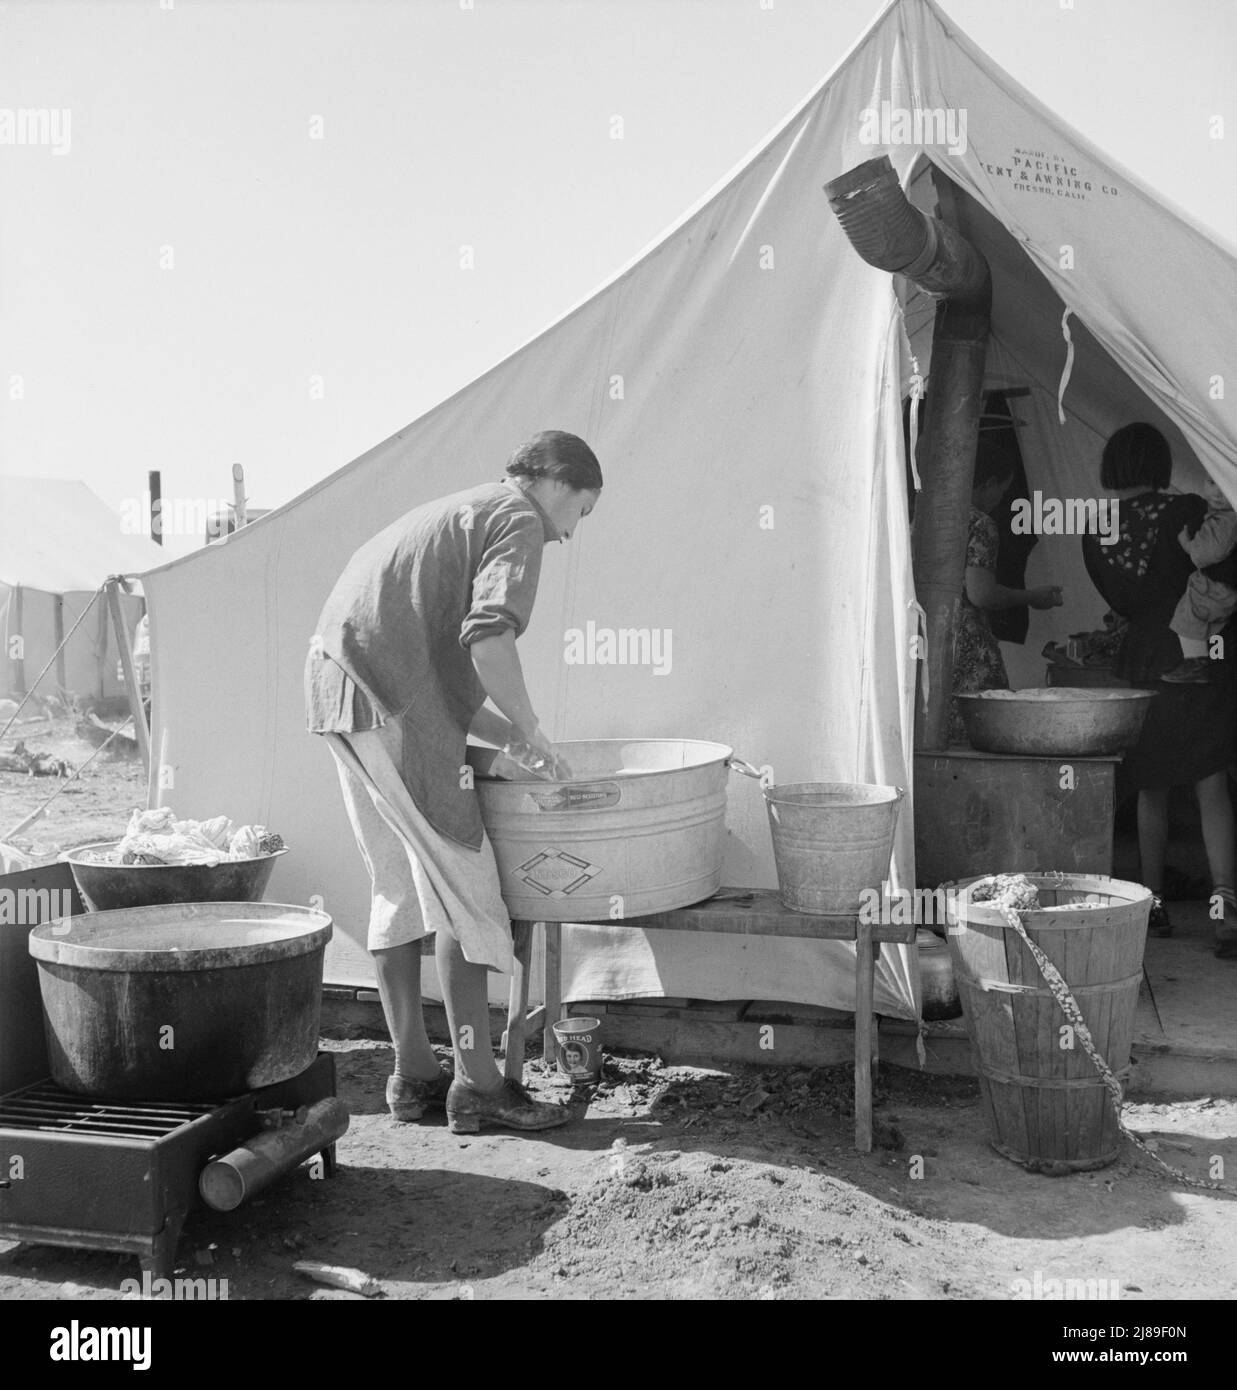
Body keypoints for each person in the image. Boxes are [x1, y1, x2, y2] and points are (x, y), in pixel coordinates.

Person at [306, 430, 603, 1129]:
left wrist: (513, 740)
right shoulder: (519, 518)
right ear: (557, 482)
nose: (570, 534)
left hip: (340, 688)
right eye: (582, 512)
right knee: (466, 894)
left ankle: (412, 1078)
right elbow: (489, 635)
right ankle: (479, 1088)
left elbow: (452, 672)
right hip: (382, 697)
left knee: (399, 888)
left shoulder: (457, 514)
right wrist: (528, 726)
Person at [1081, 423, 1237, 957]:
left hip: (1143, 664)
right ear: (1160, 464)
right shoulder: (1188, 510)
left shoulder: (1094, 528)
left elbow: (1121, 602)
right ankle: (1225, 911)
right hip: (1197, 659)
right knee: (1210, 783)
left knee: (1151, 787)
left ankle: (1152, 903)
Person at [950, 454, 1063, 743]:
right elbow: (981, 593)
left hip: (917, 643)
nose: (1001, 499)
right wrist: (1032, 596)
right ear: (987, 484)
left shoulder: (921, 517)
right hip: (965, 648)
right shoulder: (979, 523)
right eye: (1002, 490)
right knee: (981, 733)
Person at [1162, 474, 1237, 683]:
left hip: (1217, 586)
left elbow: (1206, 555)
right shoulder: (1221, 515)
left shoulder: (1226, 520)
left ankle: (1195, 662)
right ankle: (1209, 661)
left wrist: (1187, 544)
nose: (1217, 492)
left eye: (1227, 483)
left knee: (1189, 614)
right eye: (1212, 482)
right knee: (1213, 627)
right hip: (1221, 587)